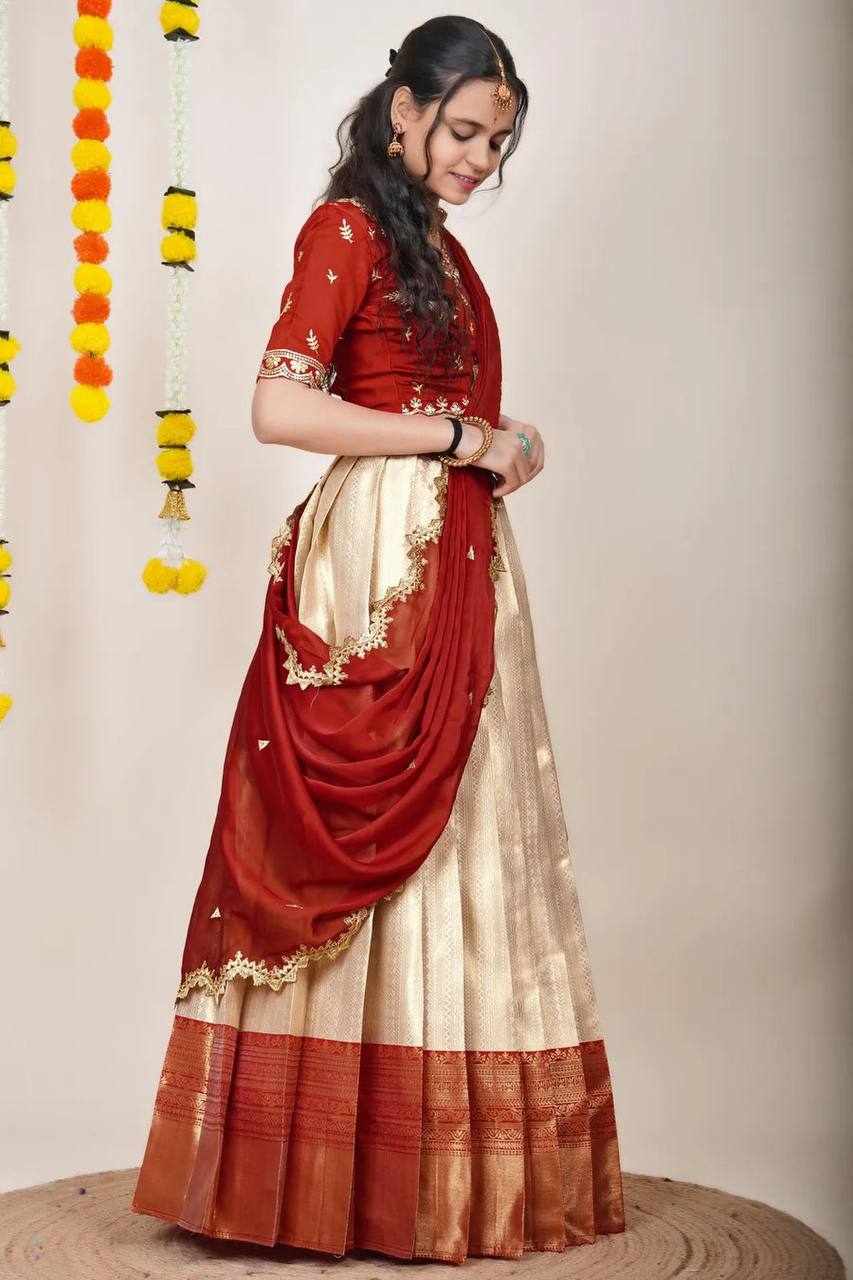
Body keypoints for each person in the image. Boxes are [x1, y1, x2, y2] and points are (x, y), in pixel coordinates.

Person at [130, 16, 626, 1263]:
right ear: (402, 109)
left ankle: (424, 1183)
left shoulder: (434, 247)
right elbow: (276, 404)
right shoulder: (347, 228)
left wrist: (498, 440)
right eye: (462, 131)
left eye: (496, 142)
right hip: (379, 563)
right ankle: (313, 1180)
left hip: (450, 545)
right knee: (376, 829)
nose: (477, 159)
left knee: (465, 840)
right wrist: (456, 440)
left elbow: (432, 403)